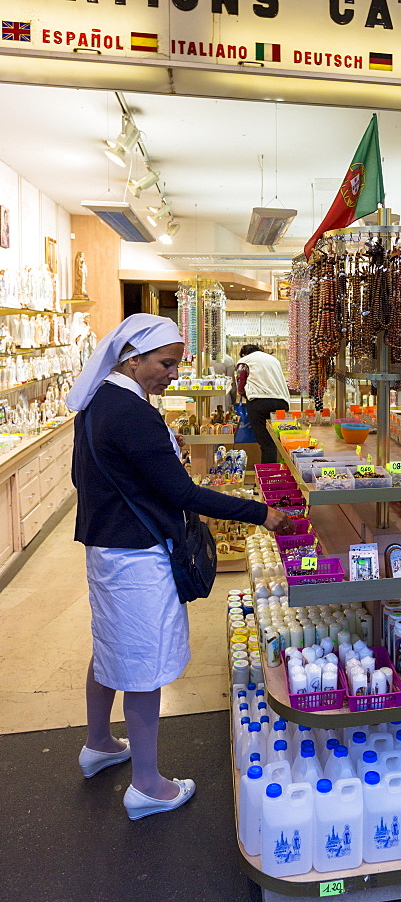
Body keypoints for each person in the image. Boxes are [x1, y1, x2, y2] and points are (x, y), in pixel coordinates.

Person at [68, 314, 292, 820]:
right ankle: (146, 784)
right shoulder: (131, 413)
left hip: (106, 546)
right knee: (143, 665)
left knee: (109, 644)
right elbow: (183, 492)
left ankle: (99, 742)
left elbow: (84, 478)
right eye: (166, 363)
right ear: (134, 357)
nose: (172, 373)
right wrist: (262, 513)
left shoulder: (96, 402)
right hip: (135, 556)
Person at [236, 344, 291, 464]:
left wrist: (246, 395)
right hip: (281, 402)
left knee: (267, 443)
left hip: (259, 403)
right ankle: (287, 472)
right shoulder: (273, 360)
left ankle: (269, 476)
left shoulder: (244, 361)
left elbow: (240, 385)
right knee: (281, 441)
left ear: (244, 354)